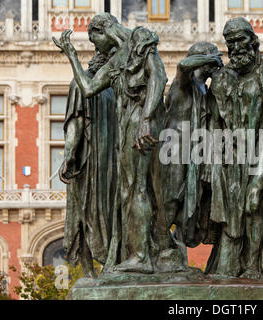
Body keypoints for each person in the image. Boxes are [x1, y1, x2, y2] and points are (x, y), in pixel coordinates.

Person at [54, 13, 184, 274]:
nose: (96, 47)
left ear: (102, 31)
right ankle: (158, 248)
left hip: (140, 125)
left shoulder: (140, 39)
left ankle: (141, 257)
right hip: (131, 127)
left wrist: (146, 119)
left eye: (94, 40)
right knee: (143, 189)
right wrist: (71, 56)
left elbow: (158, 77)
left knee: (135, 188)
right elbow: (89, 87)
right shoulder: (116, 59)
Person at [206, 17, 263, 279]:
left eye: (241, 40)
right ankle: (230, 269)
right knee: (231, 221)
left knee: (255, 209)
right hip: (230, 159)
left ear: (253, 40)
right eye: (230, 42)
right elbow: (213, 124)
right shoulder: (222, 78)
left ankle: (255, 267)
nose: (236, 47)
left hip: (261, 154)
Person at [154, 42, 223, 254]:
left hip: (194, 154)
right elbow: (183, 65)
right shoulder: (183, 82)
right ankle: (159, 248)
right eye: (214, 59)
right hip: (174, 149)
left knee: (188, 205)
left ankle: (178, 253)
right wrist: (210, 58)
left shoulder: (205, 90)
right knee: (171, 198)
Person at [60, 49, 117, 278]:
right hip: (111, 165)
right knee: (110, 216)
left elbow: (77, 123)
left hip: (87, 163)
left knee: (81, 215)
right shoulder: (115, 89)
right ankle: (108, 269)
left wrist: (69, 157)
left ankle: (89, 274)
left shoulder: (80, 84)